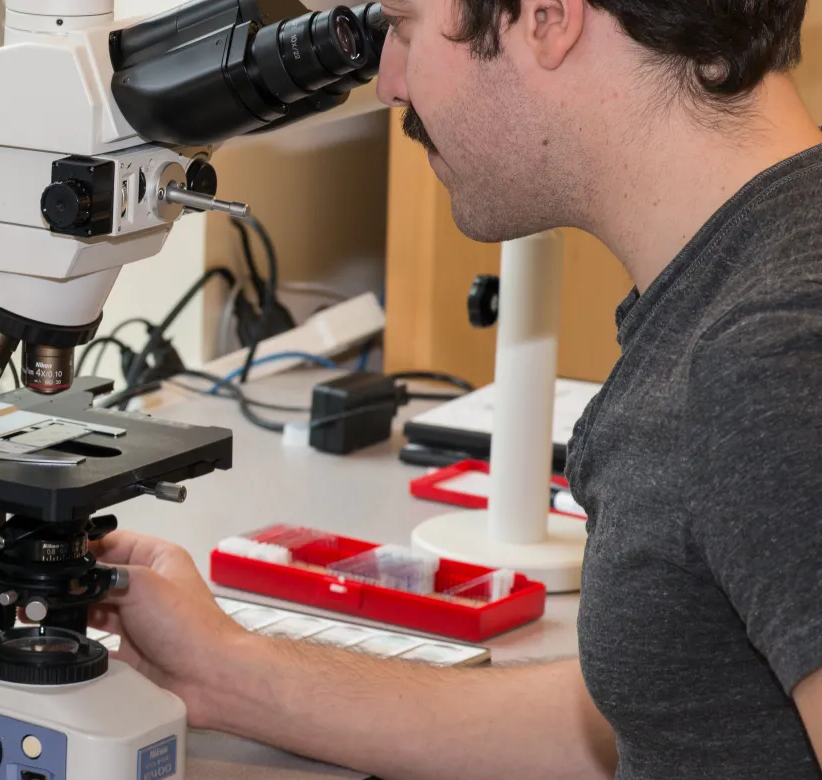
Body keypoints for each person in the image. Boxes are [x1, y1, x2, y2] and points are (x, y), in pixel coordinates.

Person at [91, 0, 822, 778]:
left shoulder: (772, 359)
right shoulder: (752, 269)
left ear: (547, 17)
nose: (389, 83)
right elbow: (660, 712)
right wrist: (222, 672)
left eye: (404, 26)